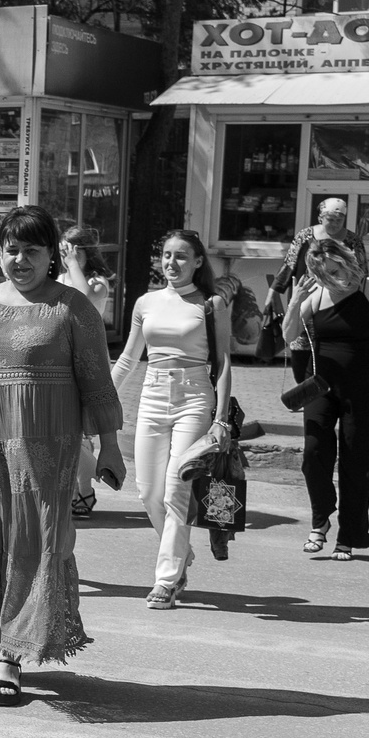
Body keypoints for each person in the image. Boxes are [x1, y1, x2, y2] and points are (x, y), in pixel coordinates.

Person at [0, 206, 125, 705]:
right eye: (11, 249)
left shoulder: (72, 308)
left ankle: (9, 655)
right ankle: (18, 621)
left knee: (29, 543)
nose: (19, 260)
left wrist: (109, 447)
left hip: (44, 445)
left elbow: (97, 382)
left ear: (50, 255)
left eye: (31, 251)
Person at [110, 230, 233, 609]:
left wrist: (221, 419)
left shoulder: (211, 304)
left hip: (194, 398)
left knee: (177, 487)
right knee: (149, 493)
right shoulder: (146, 302)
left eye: (182, 256)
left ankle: (166, 580)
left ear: (198, 262)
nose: (172, 263)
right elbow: (130, 359)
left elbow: (225, 361)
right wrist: (98, 401)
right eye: (166, 255)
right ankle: (180, 554)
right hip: (152, 396)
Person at [281, 237, 369, 560]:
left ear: (349, 260)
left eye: (340, 268)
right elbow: (288, 336)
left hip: (360, 387)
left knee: (356, 461)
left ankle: (349, 534)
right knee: (313, 455)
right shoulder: (316, 294)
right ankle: (320, 521)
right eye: (327, 273)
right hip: (320, 386)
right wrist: (294, 304)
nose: (338, 277)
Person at [57, 224, 117, 520]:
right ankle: (85, 490)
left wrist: (71, 264)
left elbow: (80, 303)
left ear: (81, 251)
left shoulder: (96, 282)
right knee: (67, 430)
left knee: (77, 430)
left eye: (68, 249)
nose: (63, 254)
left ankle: (90, 482)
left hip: (88, 361)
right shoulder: (58, 278)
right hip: (60, 360)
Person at [268, 197, 369, 359]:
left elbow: (362, 273)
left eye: (340, 220)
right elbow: (289, 265)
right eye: (331, 219)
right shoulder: (305, 236)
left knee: (334, 347)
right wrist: (274, 291)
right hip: (307, 299)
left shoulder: (353, 241)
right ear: (320, 218)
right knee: (302, 350)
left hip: (340, 304)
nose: (336, 224)